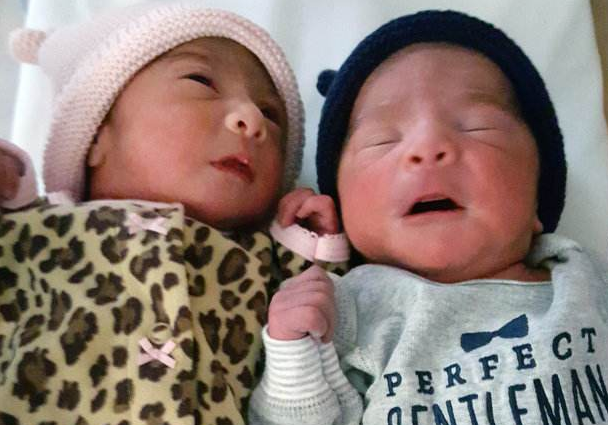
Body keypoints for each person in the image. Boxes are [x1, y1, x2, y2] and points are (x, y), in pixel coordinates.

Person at [249, 10, 608, 425]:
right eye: (383, 140)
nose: (427, 145)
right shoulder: (349, 309)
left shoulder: (584, 279)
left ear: (537, 195)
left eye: (477, 127)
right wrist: (292, 356)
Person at [0, 3, 348, 424]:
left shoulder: (267, 262)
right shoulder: (45, 234)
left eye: (272, 116)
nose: (252, 119)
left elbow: (337, 341)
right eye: (201, 81)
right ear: (96, 136)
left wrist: (315, 249)